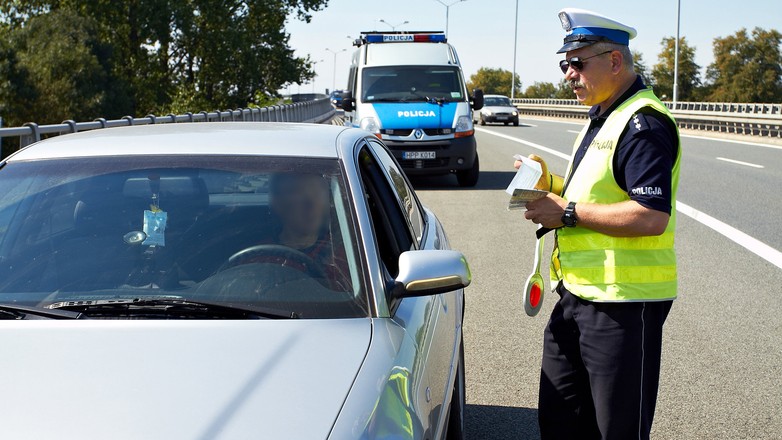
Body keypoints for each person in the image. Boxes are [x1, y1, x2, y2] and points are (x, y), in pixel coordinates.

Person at [518, 8, 681, 440]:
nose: (569, 74)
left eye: (578, 63)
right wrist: (546, 183)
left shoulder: (642, 124)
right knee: (560, 423)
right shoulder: (605, 114)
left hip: (623, 304)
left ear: (614, 61)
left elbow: (650, 215)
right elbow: (596, 192)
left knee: (616, 431)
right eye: (564, 64)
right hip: (577, 295)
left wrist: (566, 213)